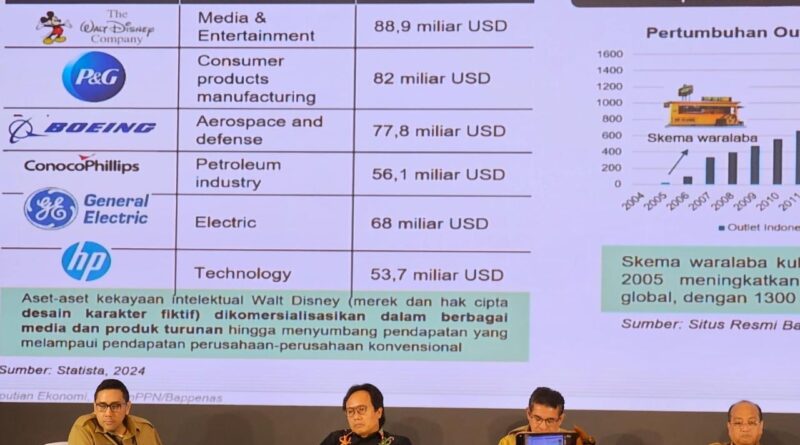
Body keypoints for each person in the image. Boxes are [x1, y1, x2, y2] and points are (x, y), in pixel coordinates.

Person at [68, 379, 163, 445]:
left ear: (127, 407)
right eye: (102, 406)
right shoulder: (84, 428)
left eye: (115, 406)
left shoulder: (145, 429)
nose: (108, 413)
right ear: (95, 407)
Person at [320, 383, 412, 445]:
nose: (356, 417)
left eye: (361, 409)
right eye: (350, 411)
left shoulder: (397, 443)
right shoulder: (336, 439)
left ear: (378, 412)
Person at [498, 386, 594, 445]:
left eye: (550, 421)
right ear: (528, 414)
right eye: (538, 419)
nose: (543, 427)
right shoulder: (509, 442)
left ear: (560, 419)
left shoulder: (571, 442)